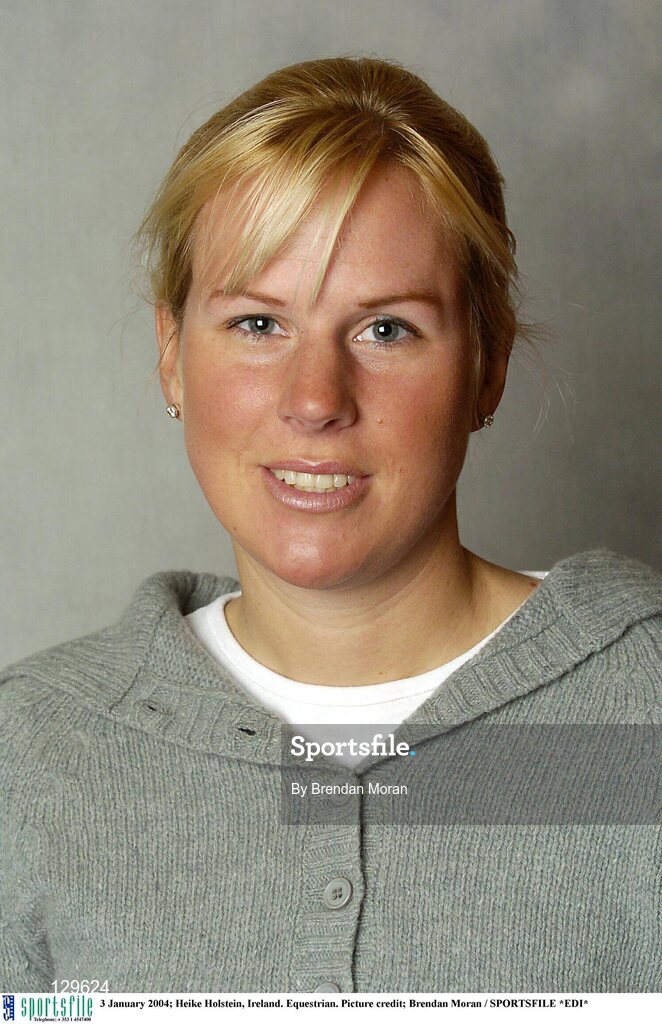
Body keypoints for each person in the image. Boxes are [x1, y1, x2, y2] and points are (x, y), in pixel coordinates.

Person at [1, 56, 659, 996]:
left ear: (488, 364)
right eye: (258, 324)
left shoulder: (644, 721)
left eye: (386, 329)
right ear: (171, 356)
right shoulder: (31, 754)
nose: (315, 401)